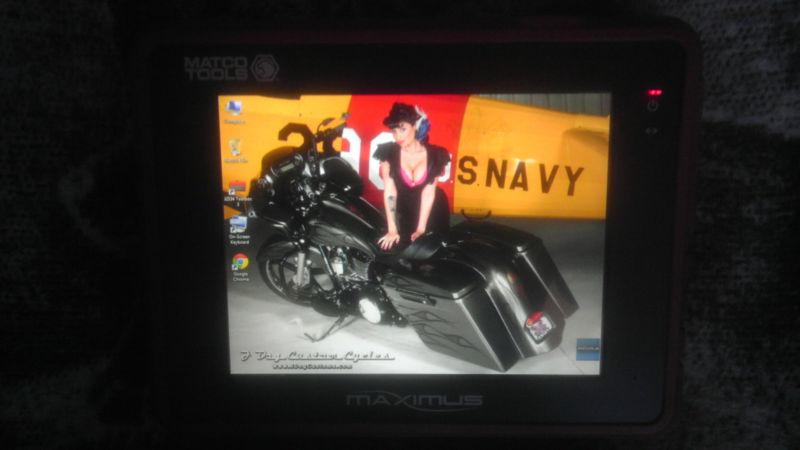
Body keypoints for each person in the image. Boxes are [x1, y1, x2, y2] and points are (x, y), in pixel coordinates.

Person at [374, 102, 451, 250]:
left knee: (436, 251)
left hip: (433, 207)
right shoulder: (388, 153)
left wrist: (421, 229)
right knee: (407, 251)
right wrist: (392, 229)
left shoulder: (436, 155)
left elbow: (428, 193)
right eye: (394, 131)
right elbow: (390, 192)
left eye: (402, 129)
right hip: (407, 210)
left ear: (415, 126)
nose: (398, 136)